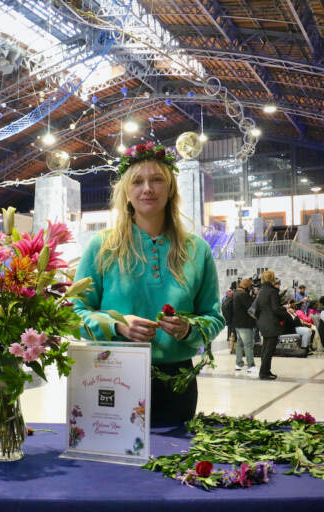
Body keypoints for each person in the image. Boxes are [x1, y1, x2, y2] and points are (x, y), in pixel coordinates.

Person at [72, 142, 224, 427]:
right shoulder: (102, 247)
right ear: (126, 192)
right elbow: (74, 313)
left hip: (178, 383)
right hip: (113, 374)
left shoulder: (197, 250)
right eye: (138, 181)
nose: (147, 189)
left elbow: (214, 317)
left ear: (170, 190)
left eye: (157, 180)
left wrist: (190, 330)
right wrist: (116, 325)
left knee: (174, 463)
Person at [253, 270, 287, 380]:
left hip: (262, 323)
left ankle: (266, 371)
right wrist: (284, 310)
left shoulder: (261, 291)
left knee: (265, 348)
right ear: (272, 278)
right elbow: (276, 309)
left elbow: (256, 309)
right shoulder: (273, 291)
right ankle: (263, 373)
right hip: (271, 323)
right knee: (269, 350)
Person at [232, 278, 257, 373]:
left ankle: (238, 364)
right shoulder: (243, 295)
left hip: (237, 323)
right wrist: (254, 295)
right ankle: (251, 365)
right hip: (245, 324)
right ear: (247, 286)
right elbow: (251, 306)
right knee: (248, 345)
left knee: (239, 344)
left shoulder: (235, 293)